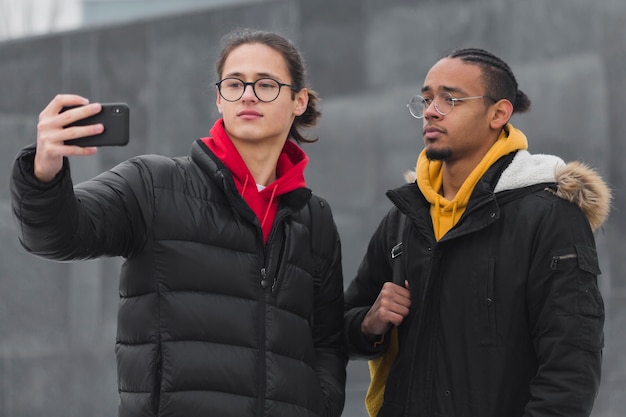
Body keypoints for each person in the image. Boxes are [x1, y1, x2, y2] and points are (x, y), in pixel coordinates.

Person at [10, 29, 346, 417]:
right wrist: (44, 171)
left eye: (266, 84)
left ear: (298, 101)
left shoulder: (313, 217)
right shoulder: (153, 185)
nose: (248, 95)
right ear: (220, 100)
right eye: (235, 84)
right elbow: (56, 236)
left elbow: (327, 343)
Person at [344, 47, 611, 417]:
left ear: (499, 113)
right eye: (425, 99)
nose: (431, 111)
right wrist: (370, 323)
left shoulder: (550, 217)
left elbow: (571, 366)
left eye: (449, 99)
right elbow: (342, 326)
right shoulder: (406, 217)